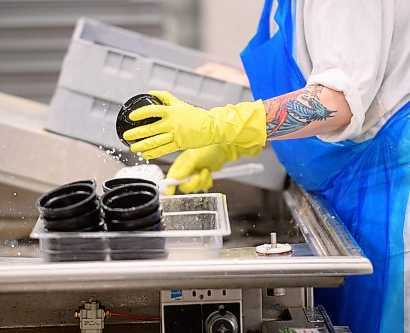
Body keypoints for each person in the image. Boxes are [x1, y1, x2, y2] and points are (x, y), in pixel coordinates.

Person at [123, 0, 410, 332]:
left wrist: (218, 125)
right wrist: (230, 144)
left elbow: (336, 103)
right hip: (340, 191)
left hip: (387, 204)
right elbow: (306, 84)